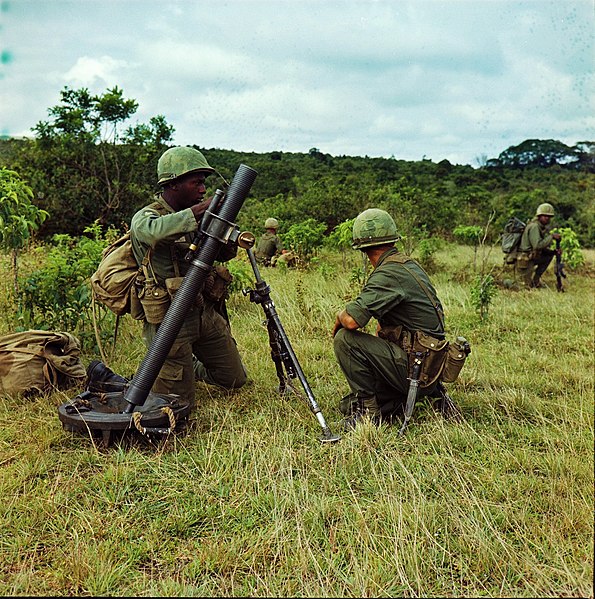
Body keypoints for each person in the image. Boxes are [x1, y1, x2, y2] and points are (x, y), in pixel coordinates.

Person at [129, 146, 247, 406]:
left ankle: (188, 368)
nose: (203, 190)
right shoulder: (147, 216)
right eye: (197, 183)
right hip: (170, 321)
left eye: (204, 184)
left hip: (202, 311)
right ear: (173, 184)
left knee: (234, 379)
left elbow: (224, 256)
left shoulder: (198, 216)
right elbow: (152, 232)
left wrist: (223, 228)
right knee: (178, 405)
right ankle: (167, 367)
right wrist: (199, 212)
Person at [332, 208, 450, 430]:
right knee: (347, 405)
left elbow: (351, 321)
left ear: (362, 246)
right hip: (429, 366)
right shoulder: (407, 264)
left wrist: (339, 316)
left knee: (344, 340)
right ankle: (406, 401)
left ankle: (369, 415)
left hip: (419, 370)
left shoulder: (388, 273)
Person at [516, 202, 561, 289]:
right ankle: (505, 282)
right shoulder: (534, 227)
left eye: (549, 217)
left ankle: (536, 280)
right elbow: (537, 245)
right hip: (525, 259)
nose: (547, 218)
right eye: (545, 216)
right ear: (539, 216)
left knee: (548, 256)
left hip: (531, 257)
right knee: (523, 287)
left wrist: (553, 252)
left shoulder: (539, 227)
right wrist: (551, 237)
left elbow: (541, 247)